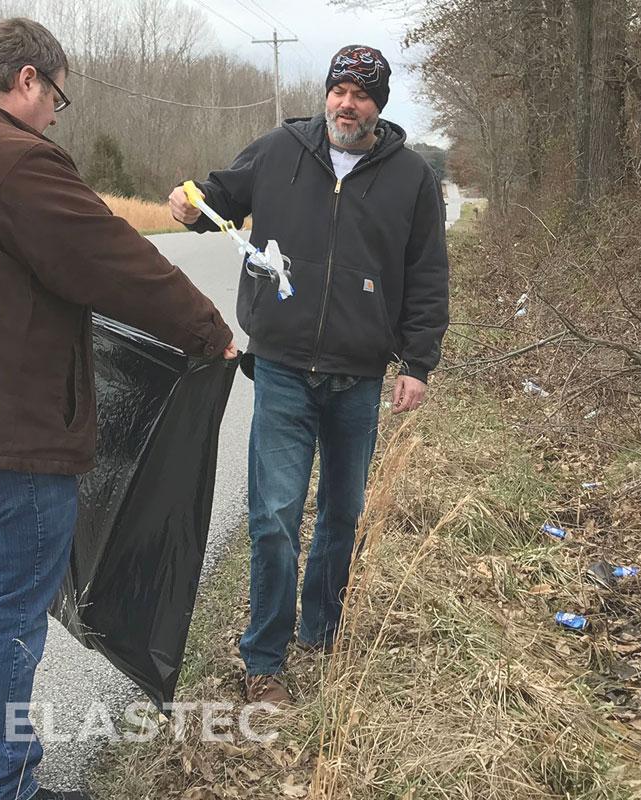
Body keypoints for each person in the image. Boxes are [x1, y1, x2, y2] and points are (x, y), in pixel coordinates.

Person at [0, 18, 237, 800]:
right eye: (56, 97)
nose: (56, 115)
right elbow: (114, 259)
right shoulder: (13, 157)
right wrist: (208, 330)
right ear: (27, 79)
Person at [168, 44, 449, 706]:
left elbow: (429, 276)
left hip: (359, 375)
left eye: (361, 93)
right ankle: (264, 658)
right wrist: (192, 203)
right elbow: (219, 196)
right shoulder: (279, 150)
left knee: (342, 512)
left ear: (379, 105)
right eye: (338, 90)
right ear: (326, 93)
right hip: (285, 369)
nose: (346, 102)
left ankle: (321, 630)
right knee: (272, 516)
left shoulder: (410, 178)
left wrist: (419, 363)